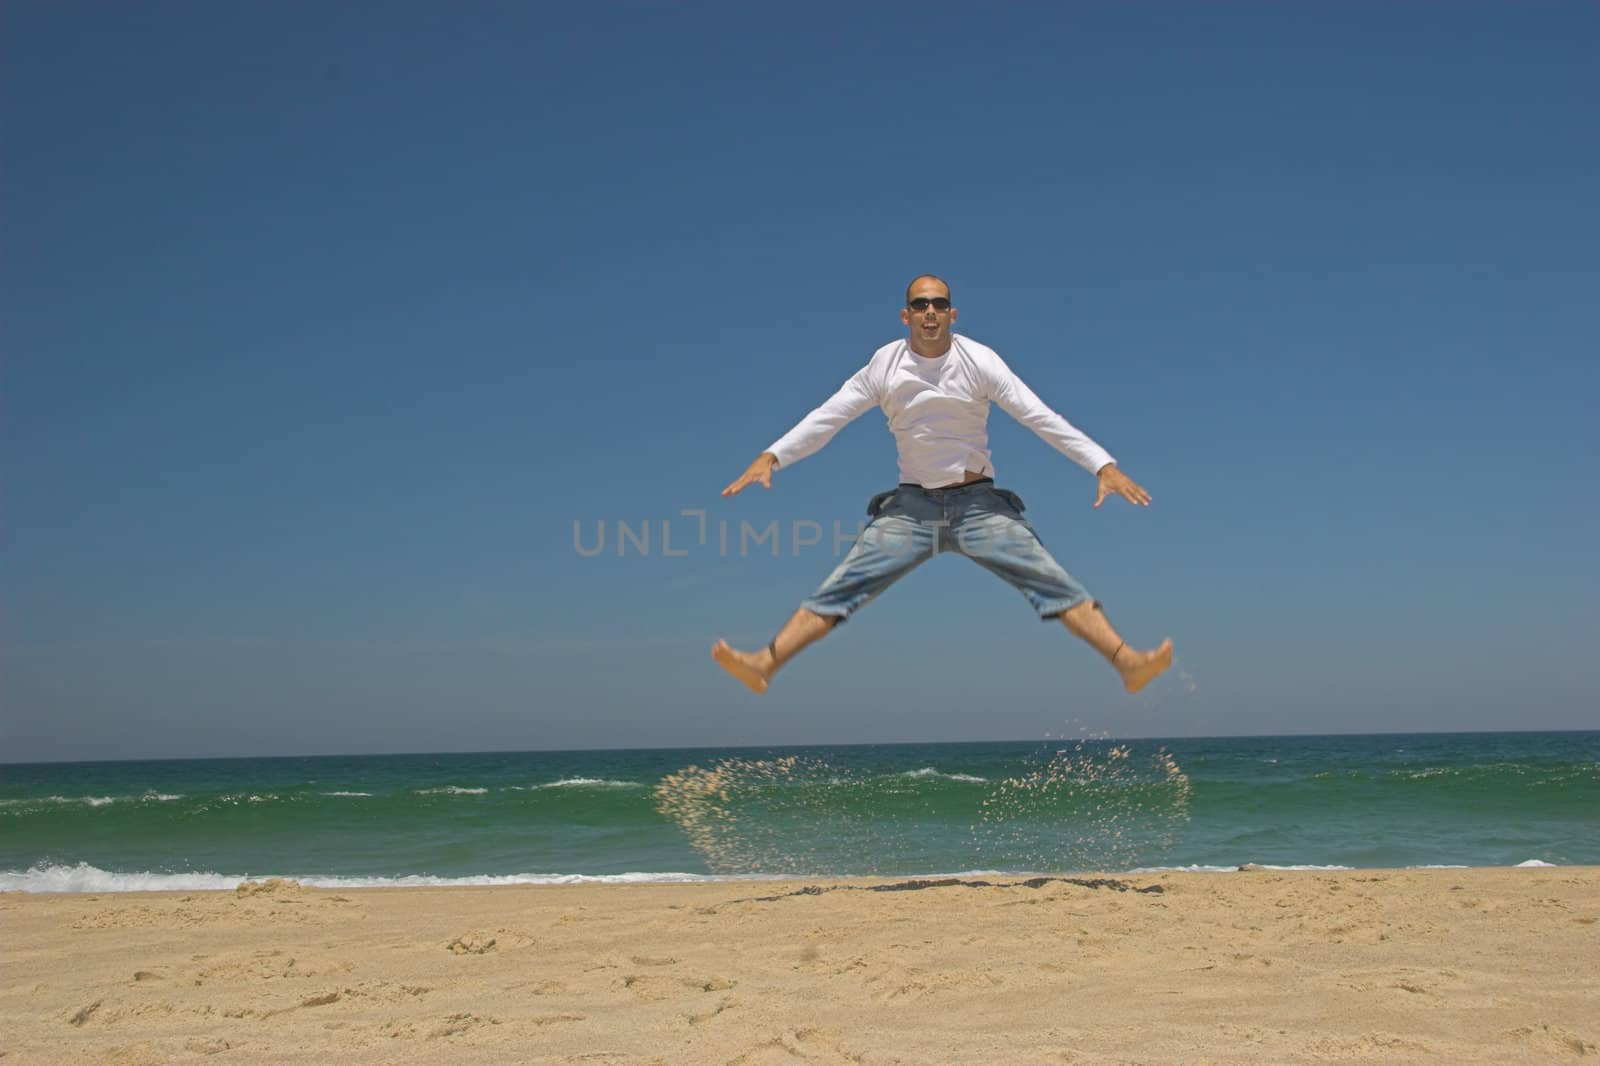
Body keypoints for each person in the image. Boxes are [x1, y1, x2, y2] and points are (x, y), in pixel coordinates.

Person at [712, 274, 1172, 696]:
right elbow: (830, 416)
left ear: (952, 314)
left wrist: (1101, 465)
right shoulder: (884, 366)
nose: (929, 312)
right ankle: (763, 665)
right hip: (912, 510)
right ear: (905, 315)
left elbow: (1039, 417)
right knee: (842, 586)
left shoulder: (979, 361)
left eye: (939, 304)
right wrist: (773, 455)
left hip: (979, 506)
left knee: (1050, 579)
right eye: (920, 304)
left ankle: (1128, 662)